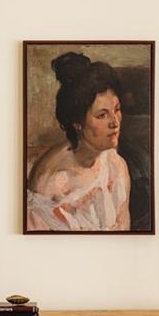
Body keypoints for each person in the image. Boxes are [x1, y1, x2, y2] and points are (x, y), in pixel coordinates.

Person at [26, 52, 132, 231]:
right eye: (102, 115)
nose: (115, 122)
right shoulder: (52, 184)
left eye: (117, 109)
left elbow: (123, 229)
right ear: (78, 123)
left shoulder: (115, 165)